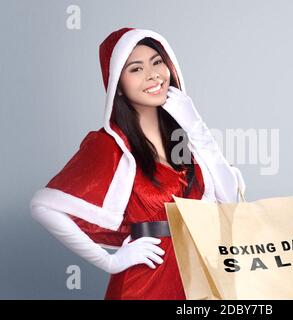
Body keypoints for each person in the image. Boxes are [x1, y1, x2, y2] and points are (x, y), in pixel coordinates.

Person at [29, 27, 246, 300]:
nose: (153, 74)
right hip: (147, 281)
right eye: (136, 69)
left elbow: (228, 200)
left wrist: (195, 125)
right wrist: (111, 261)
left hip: (200, 276)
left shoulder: (185, 139)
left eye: (157, 62)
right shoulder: (108, 144)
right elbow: (43, 207)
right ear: (117, 86)